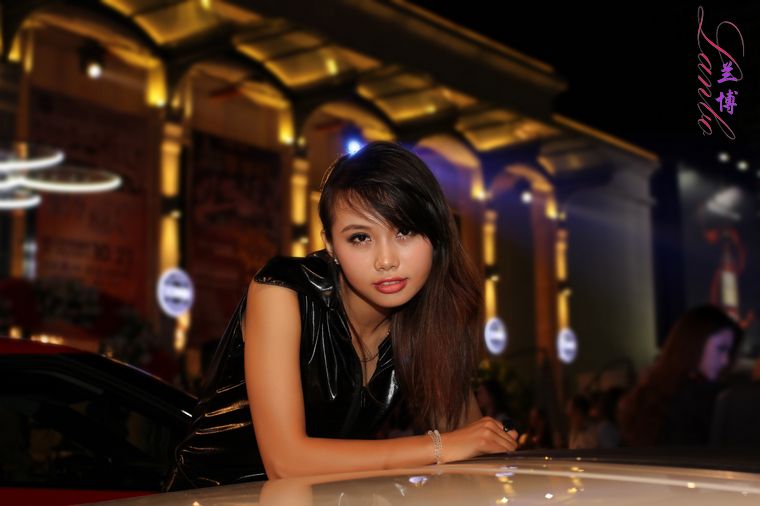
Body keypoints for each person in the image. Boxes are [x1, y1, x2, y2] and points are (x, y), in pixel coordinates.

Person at [166, 141, 518, 489]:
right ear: (331, 245)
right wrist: (439, 447)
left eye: (405, 231)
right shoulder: (283, 291)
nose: (386, 260)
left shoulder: (429, 316)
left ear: (436, 234)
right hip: (212, 496)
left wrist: (483, 448)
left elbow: (470, 441)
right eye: (360, 238)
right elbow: (286, 463)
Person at [618, 305, 742, 447]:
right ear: (694, 344)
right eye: (721, 349)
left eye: (729, 352)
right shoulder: (699, 398)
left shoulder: (648, 394)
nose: (725, 360)